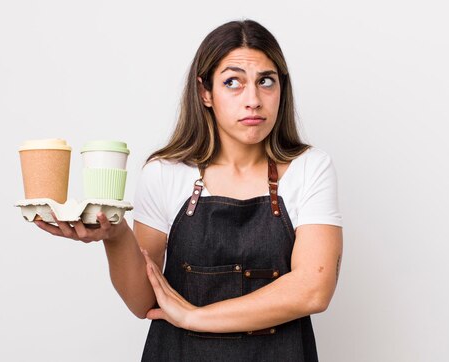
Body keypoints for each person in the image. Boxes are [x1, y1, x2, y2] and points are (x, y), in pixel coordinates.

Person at [35, 19, 343, 362]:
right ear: (205, 92)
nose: (253, 100)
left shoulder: (309, 167)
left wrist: (195, 317)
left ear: (281, 89)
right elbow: (143, 303)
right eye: (233, 83)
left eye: (265, 82)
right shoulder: (164, 173)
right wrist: (116, 234)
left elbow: (313, 290)